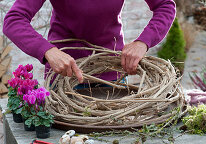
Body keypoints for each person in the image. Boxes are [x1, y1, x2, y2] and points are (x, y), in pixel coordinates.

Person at [3, 0, 176, 84]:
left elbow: (165, 5)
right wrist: (48, 51)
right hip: (65, 77)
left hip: (111, 76)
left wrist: (143, 42)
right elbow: (14, 20)